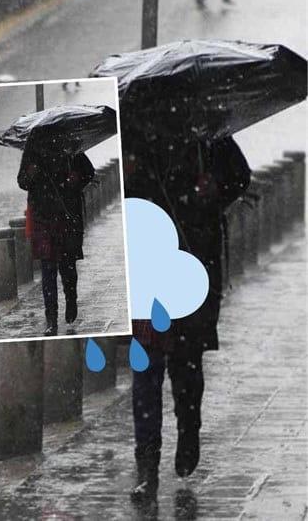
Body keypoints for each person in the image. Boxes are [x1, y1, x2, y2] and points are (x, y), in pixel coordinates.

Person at [124, 135, 250, 503]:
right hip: (150, 269)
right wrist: (129, 177)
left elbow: (241, 176)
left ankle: (188, 431)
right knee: (145, 375)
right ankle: (147, 469)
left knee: (186, 367)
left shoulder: (207, 136)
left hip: (194, 266)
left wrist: (213, 189)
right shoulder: (136, 134)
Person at [17, 132, 95, 335]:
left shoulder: (70, 146)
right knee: (48, 269)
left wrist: (76, 179)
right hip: (43, 216)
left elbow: (89, 171)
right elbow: (22, 181)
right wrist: (30, 174)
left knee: (68, 267)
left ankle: (71, 299)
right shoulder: (32, 149)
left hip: (66, 215)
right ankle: (51, 318)